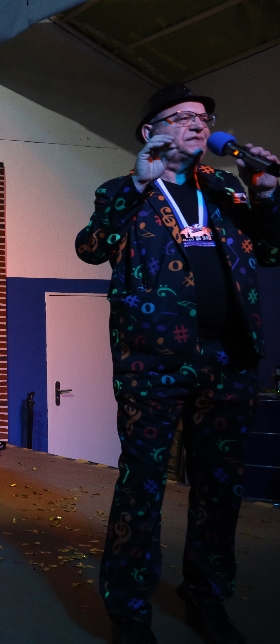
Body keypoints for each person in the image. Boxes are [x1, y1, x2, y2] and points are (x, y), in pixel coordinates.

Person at [75, 83, 280, 644]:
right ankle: (129, 613)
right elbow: (91, 247)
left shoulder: (225, 189)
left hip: (230, 359)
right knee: (142, 486)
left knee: (220, 487)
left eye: (204, 117)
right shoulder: (125, 191)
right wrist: (138, 184)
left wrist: (265, 196)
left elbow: (272, 251)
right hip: (153, 362)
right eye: (183, 116)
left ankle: (207, 596)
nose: (198, 123)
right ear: (151, 132)